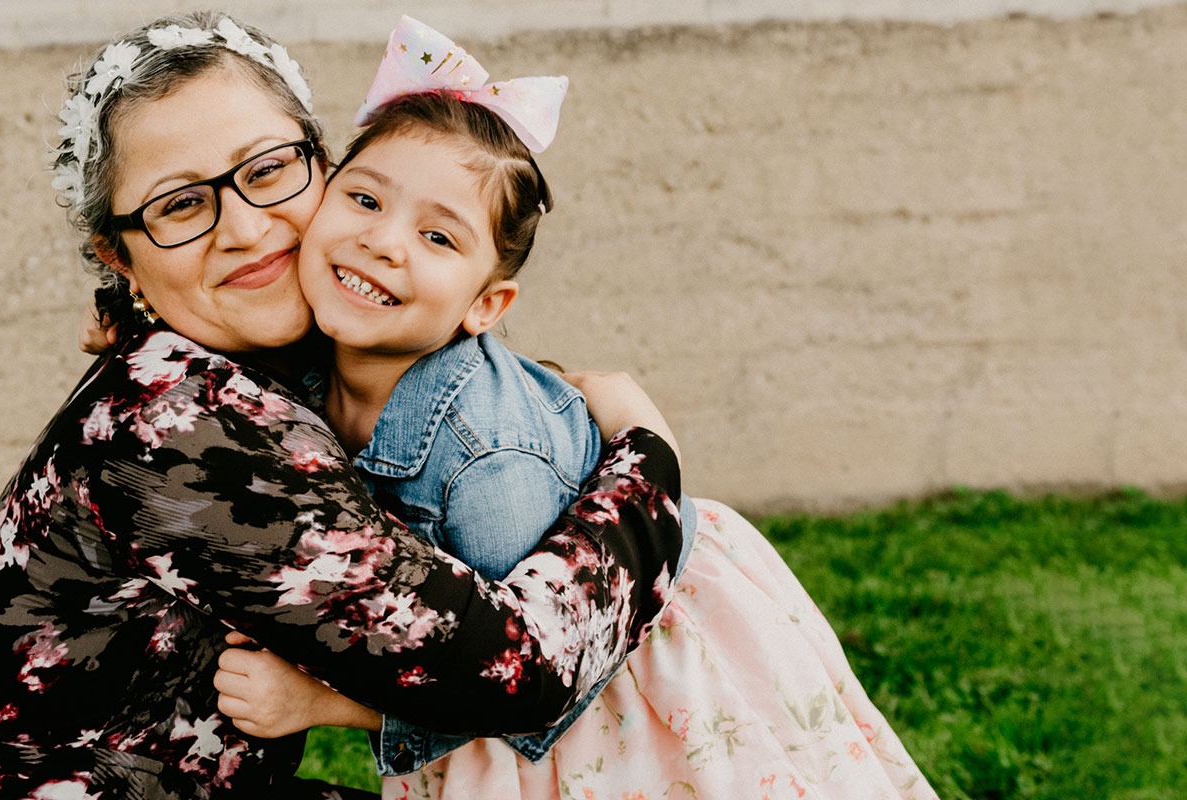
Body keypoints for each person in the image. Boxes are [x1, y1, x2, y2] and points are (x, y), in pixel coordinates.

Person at [208, 18, 940, 800]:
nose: (384, 242)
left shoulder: (490, 461)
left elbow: (536, 674)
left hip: (618, 682)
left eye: (437, 237)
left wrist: (331, 704)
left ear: (486, 306)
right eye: (363, 198)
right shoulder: (324, 351)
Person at [0, 13, 687, 799]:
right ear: (123, 254)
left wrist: (125, 303)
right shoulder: (179, 434)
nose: (248, 231)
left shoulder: (244, 351)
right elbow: (519, 667)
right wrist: (648, 457)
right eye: (180, 207)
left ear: (321, 161)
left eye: (266, 170)